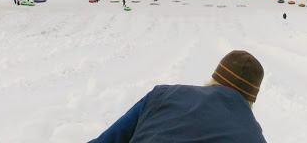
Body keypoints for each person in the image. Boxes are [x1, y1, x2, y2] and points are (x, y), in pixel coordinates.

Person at [87, 50, 266, 142]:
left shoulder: (162, 95)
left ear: (214, 79)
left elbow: (109, 139)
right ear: (250, 99)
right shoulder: (254, 136)